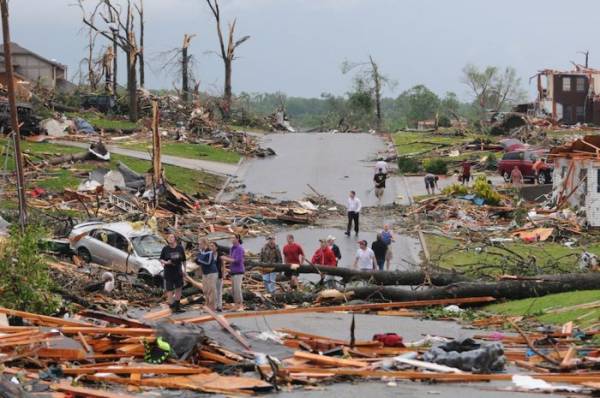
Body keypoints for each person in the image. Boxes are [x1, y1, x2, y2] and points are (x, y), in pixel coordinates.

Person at [159, 233, 186, 312]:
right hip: (168, 271)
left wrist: (185, 270)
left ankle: (177, 307)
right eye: (168, 237)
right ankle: (171, 306)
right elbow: (161, 259)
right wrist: (166, 262)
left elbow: (184, 260)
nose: (170, 239)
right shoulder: (165, 248)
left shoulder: (180, 248)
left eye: (171, 237)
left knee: (179, 288)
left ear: (175, 239)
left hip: (178, 271)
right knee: (169, 289)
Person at [222, 234, 245, 311]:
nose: (231, 239)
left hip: (239, 271)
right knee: (234, 289)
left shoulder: (240, 249)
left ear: (237, 239)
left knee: (238, 289)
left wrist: (225, 258)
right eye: (231, 238)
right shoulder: (232, 248)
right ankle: (236, 305)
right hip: (233, 271)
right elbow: (231, 258)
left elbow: (237, 260)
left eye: (233, 238)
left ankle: (241, 305)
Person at [195, 238, 218, 311]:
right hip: (205, 273)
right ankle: (207, 304)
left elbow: (208, 262)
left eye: (200, 244)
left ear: (204, 244)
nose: (199, 245)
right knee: (205, 289)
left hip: (212, 272)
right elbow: (198, 261)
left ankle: (212, 306)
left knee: (211, 289)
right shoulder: (201, 251)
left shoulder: (209, 252)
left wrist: (199, 260)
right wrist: (197, 260)